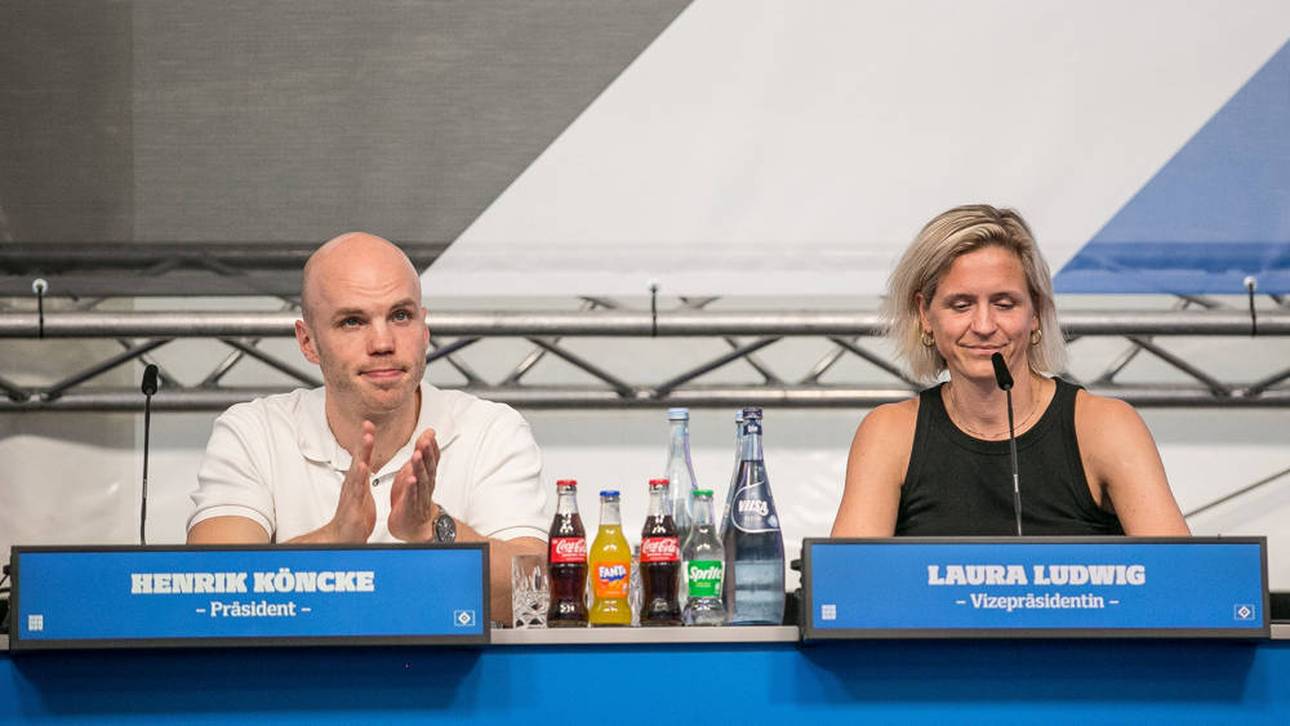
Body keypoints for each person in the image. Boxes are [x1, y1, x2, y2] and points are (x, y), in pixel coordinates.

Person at [188, 232, 551, 620]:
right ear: (308, 341)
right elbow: (211, 592)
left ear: (424, 329)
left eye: (400, 316)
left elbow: (533, 597)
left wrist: (433, 527)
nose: (383, 342)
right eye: (352, 321)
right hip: (295, 680)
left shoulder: (493, 430)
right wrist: (335, 539)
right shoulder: (252, 432)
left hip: (448, 679)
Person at [831, 204, 1189, 537]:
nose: (984, 325)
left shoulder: (1106, 426)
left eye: (1004, 304)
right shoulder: (889, 434)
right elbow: (848, 589)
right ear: (925, 314)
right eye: (961, 304)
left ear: (1036, 312)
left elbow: (1181, 580)